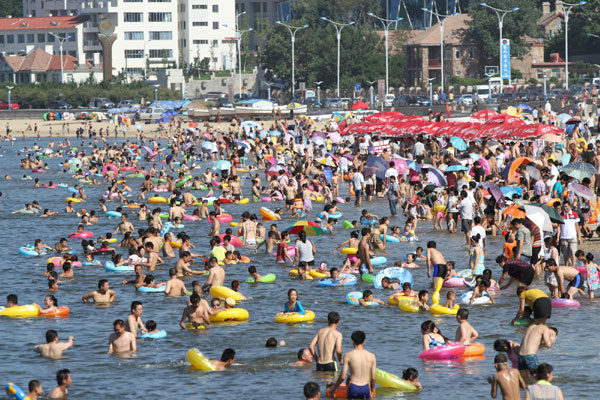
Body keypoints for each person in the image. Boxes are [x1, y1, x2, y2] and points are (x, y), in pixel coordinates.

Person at [328, 331, 376, 399]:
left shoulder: (348, 355)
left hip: (353, 387)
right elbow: (373, 378)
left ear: (353, 341)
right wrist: (373, 389)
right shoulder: (372, 356)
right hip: (365, 387)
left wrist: (334, 388)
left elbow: (342, 376)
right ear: (364, 341)